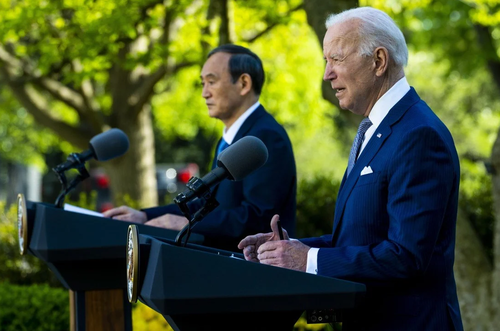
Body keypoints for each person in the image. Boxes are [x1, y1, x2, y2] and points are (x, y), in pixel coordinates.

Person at [238, 7, 463, 331]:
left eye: (336, 59)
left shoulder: (418, 135)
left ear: (378, 61)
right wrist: (289, 250)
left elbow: (406, 256)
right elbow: (361, 239)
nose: (327, 74)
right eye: (326, 61)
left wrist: (308, 261)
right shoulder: (374, 129)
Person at [104, 44, 297, 252]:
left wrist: (189, 224)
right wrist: (145, 216)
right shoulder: (230, 139)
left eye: (212, 82)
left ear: (243, 83)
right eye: (202, 83)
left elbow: (259, 219)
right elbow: (207, 207)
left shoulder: (264, 138)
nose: (204, 93)